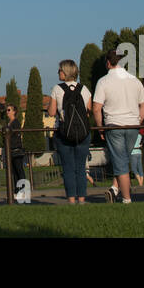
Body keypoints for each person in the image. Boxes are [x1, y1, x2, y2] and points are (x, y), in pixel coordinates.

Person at [93, 51, 144, 204]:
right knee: (123, 160)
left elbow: (96, 108)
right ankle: (115, 189)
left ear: (108, 63)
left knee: (120, 163)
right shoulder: (134, 80)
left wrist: (100, 127)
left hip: (114, 124)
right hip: (132, 125)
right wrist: (139, 119)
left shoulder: (103, 81)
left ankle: (126, 198)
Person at [47, 59, 93, 204]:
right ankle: (82, 198)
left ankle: (71, 199)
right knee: (80, 168)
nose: (58, 72)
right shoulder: (84, 89)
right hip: (83, 133)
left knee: (68, 168)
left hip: (64, 133)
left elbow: (52, 112)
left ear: (65, 72)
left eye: (60, 70)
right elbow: (88, 112)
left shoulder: (57, 89)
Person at [5, 103, 25, 193]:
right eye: (7, 110)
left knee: (19, 169)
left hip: (16, 149)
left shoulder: (15, 123)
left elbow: (15, 135)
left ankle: (22, 188)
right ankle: (17, 189)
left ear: (14, 111)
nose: (7, 112)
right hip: (11, 150)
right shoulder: (9, 123)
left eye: (9, 110)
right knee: (14, 171)